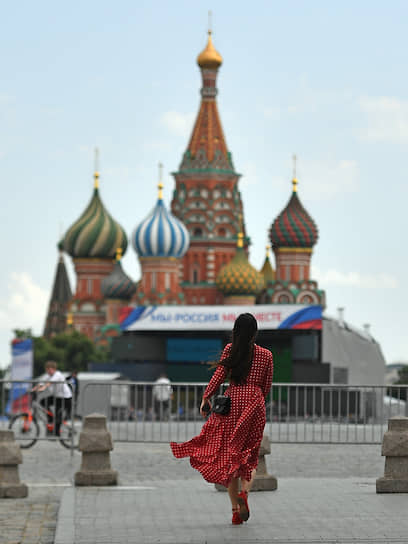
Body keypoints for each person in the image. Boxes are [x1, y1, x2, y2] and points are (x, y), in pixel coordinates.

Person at [170, 313, 273, 525]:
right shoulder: (267, 355)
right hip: (255, 404)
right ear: (255, 332)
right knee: (250, 456)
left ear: (236, 331)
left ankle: (235, 510)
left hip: (233, 402)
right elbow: (267, 386)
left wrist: (206, 397)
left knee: (230, 455)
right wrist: (256, 400)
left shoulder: (230, 350)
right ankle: (245, 492)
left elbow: (218, 376)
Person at [34, 361, 73, 436]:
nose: (48, 371)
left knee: (58, 416)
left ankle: (57, 433)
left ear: (54, 369)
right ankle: (50, 417)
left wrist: (44, 388)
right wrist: (33, 389)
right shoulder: (48, 375)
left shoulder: (58, 374)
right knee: (43, 401)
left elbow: (50, 382)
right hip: (57, 397)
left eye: (49, 369)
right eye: (47, 369)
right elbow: (41, 383)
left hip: (65, 398)